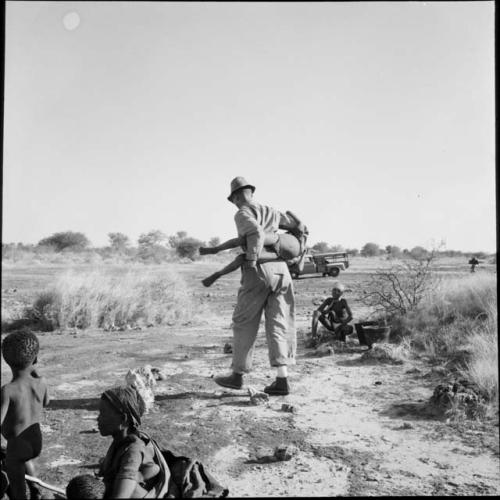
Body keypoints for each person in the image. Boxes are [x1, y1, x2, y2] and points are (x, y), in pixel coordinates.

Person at [213, 176, 297, 396]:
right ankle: (282, 380)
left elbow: (256, 233)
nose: (235, 204)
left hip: (259, 269)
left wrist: (251, 258)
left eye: (234, 200)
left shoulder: (242, 213)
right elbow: (297, 226)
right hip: (282, 270)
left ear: (238, 197)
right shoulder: (271, 210)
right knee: (278, 324)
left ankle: (237, 376)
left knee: (244, 323)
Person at [199, 210, 308, 287]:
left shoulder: (299, 238)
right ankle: (217, 272)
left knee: (248, 239)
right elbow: (299, 269)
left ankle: (216, 253)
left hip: (280, 246)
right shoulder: (298, 244)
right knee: (243, 257)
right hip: (278, 255)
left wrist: (287, 215)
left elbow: (295, 218)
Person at [1, 331, 50, 500]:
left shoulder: (8, 390)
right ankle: (37, 491)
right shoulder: (42, 381)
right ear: (35, 359)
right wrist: (36, 376)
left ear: (6, 362)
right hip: (36, 442)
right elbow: (46, 402)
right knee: (26, 460)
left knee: (18, 489)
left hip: (16, 447)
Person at [96, 386, 163, 499]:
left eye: (103, 414)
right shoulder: (119, 442)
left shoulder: (133, 450)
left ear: (123, 419)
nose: (98, 419)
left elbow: (121, 495)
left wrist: (139, 476)